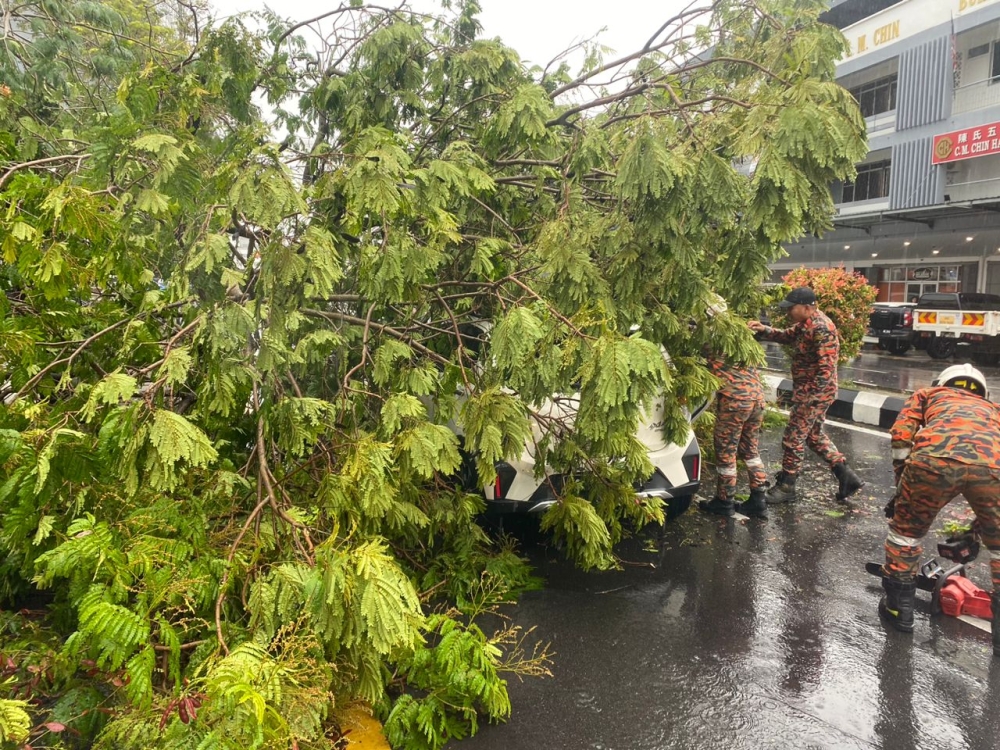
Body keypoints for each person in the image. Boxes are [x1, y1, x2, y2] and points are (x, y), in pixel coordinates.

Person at [879, 363, 1000, 656]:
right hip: (994, 468)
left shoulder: (928, 394)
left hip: (932, 461)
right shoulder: (993, 409)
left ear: (943, 382)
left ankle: (899, 611)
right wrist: (980, 529)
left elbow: (900, 435)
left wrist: (902, 482)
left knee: (905, 535)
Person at [747, 286, 863, 504]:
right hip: (810, 392)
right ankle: (847, 477)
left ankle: (787, 486)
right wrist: (763, 329)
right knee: (814, 436)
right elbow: (785, 336)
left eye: (792, 308)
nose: (788, 312)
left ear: (807, 307)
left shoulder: (822, 328)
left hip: (814, 394)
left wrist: (810, 399)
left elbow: (826, 370)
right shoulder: (805, 325)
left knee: (793, 438)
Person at [698, 349, 769, 519]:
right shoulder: (739, 340)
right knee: (750, 451)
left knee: (726, 452)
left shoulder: (712, 340)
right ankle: (758, 499)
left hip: (735, 401)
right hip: (757, 400)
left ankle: (724, 501)